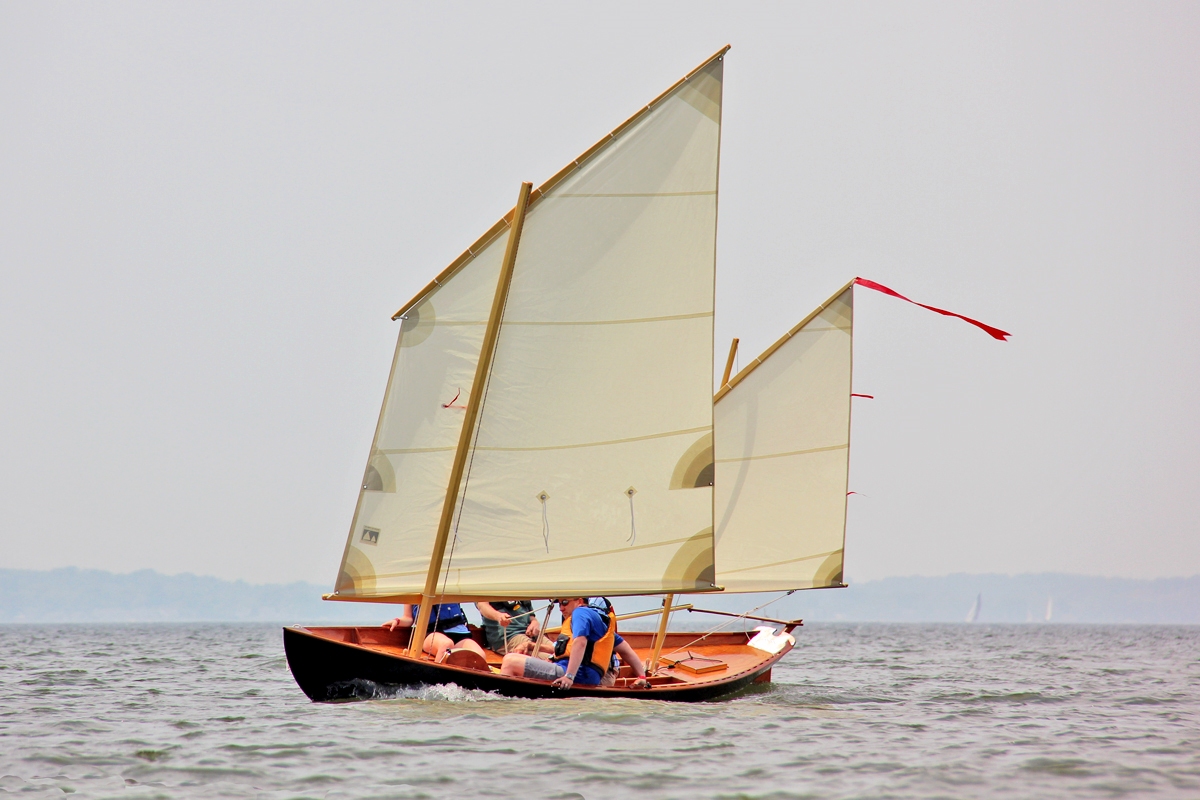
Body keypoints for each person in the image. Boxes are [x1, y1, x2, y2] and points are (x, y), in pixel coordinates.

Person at [499, 597, 650, 689]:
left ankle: (503, 702)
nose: (561, 607)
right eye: (559, 603)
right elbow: (626, 650)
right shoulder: (601, 625)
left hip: (578, 675)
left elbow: (580, 643)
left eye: (565, 602)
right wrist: (642, 677)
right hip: (583, 675)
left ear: (579, 601)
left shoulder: (581, 613)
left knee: (510, 661)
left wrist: (569, 676)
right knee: (522, 660)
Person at [383, 602, 486, 662]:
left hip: (459, 633)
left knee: (480, 655)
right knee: (446, 644)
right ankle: (439, 685)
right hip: (431, 633)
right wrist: (397, 621)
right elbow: (408, 618)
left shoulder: (452, 583)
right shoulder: (414, 585)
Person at [475, 600, 548, 655]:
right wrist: (498, 616)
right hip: (509, 636)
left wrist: (534, 621)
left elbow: (529, 610)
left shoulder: (519, 583)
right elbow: (482, 606)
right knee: (549, 658)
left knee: (558, 651)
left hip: (530, 632)